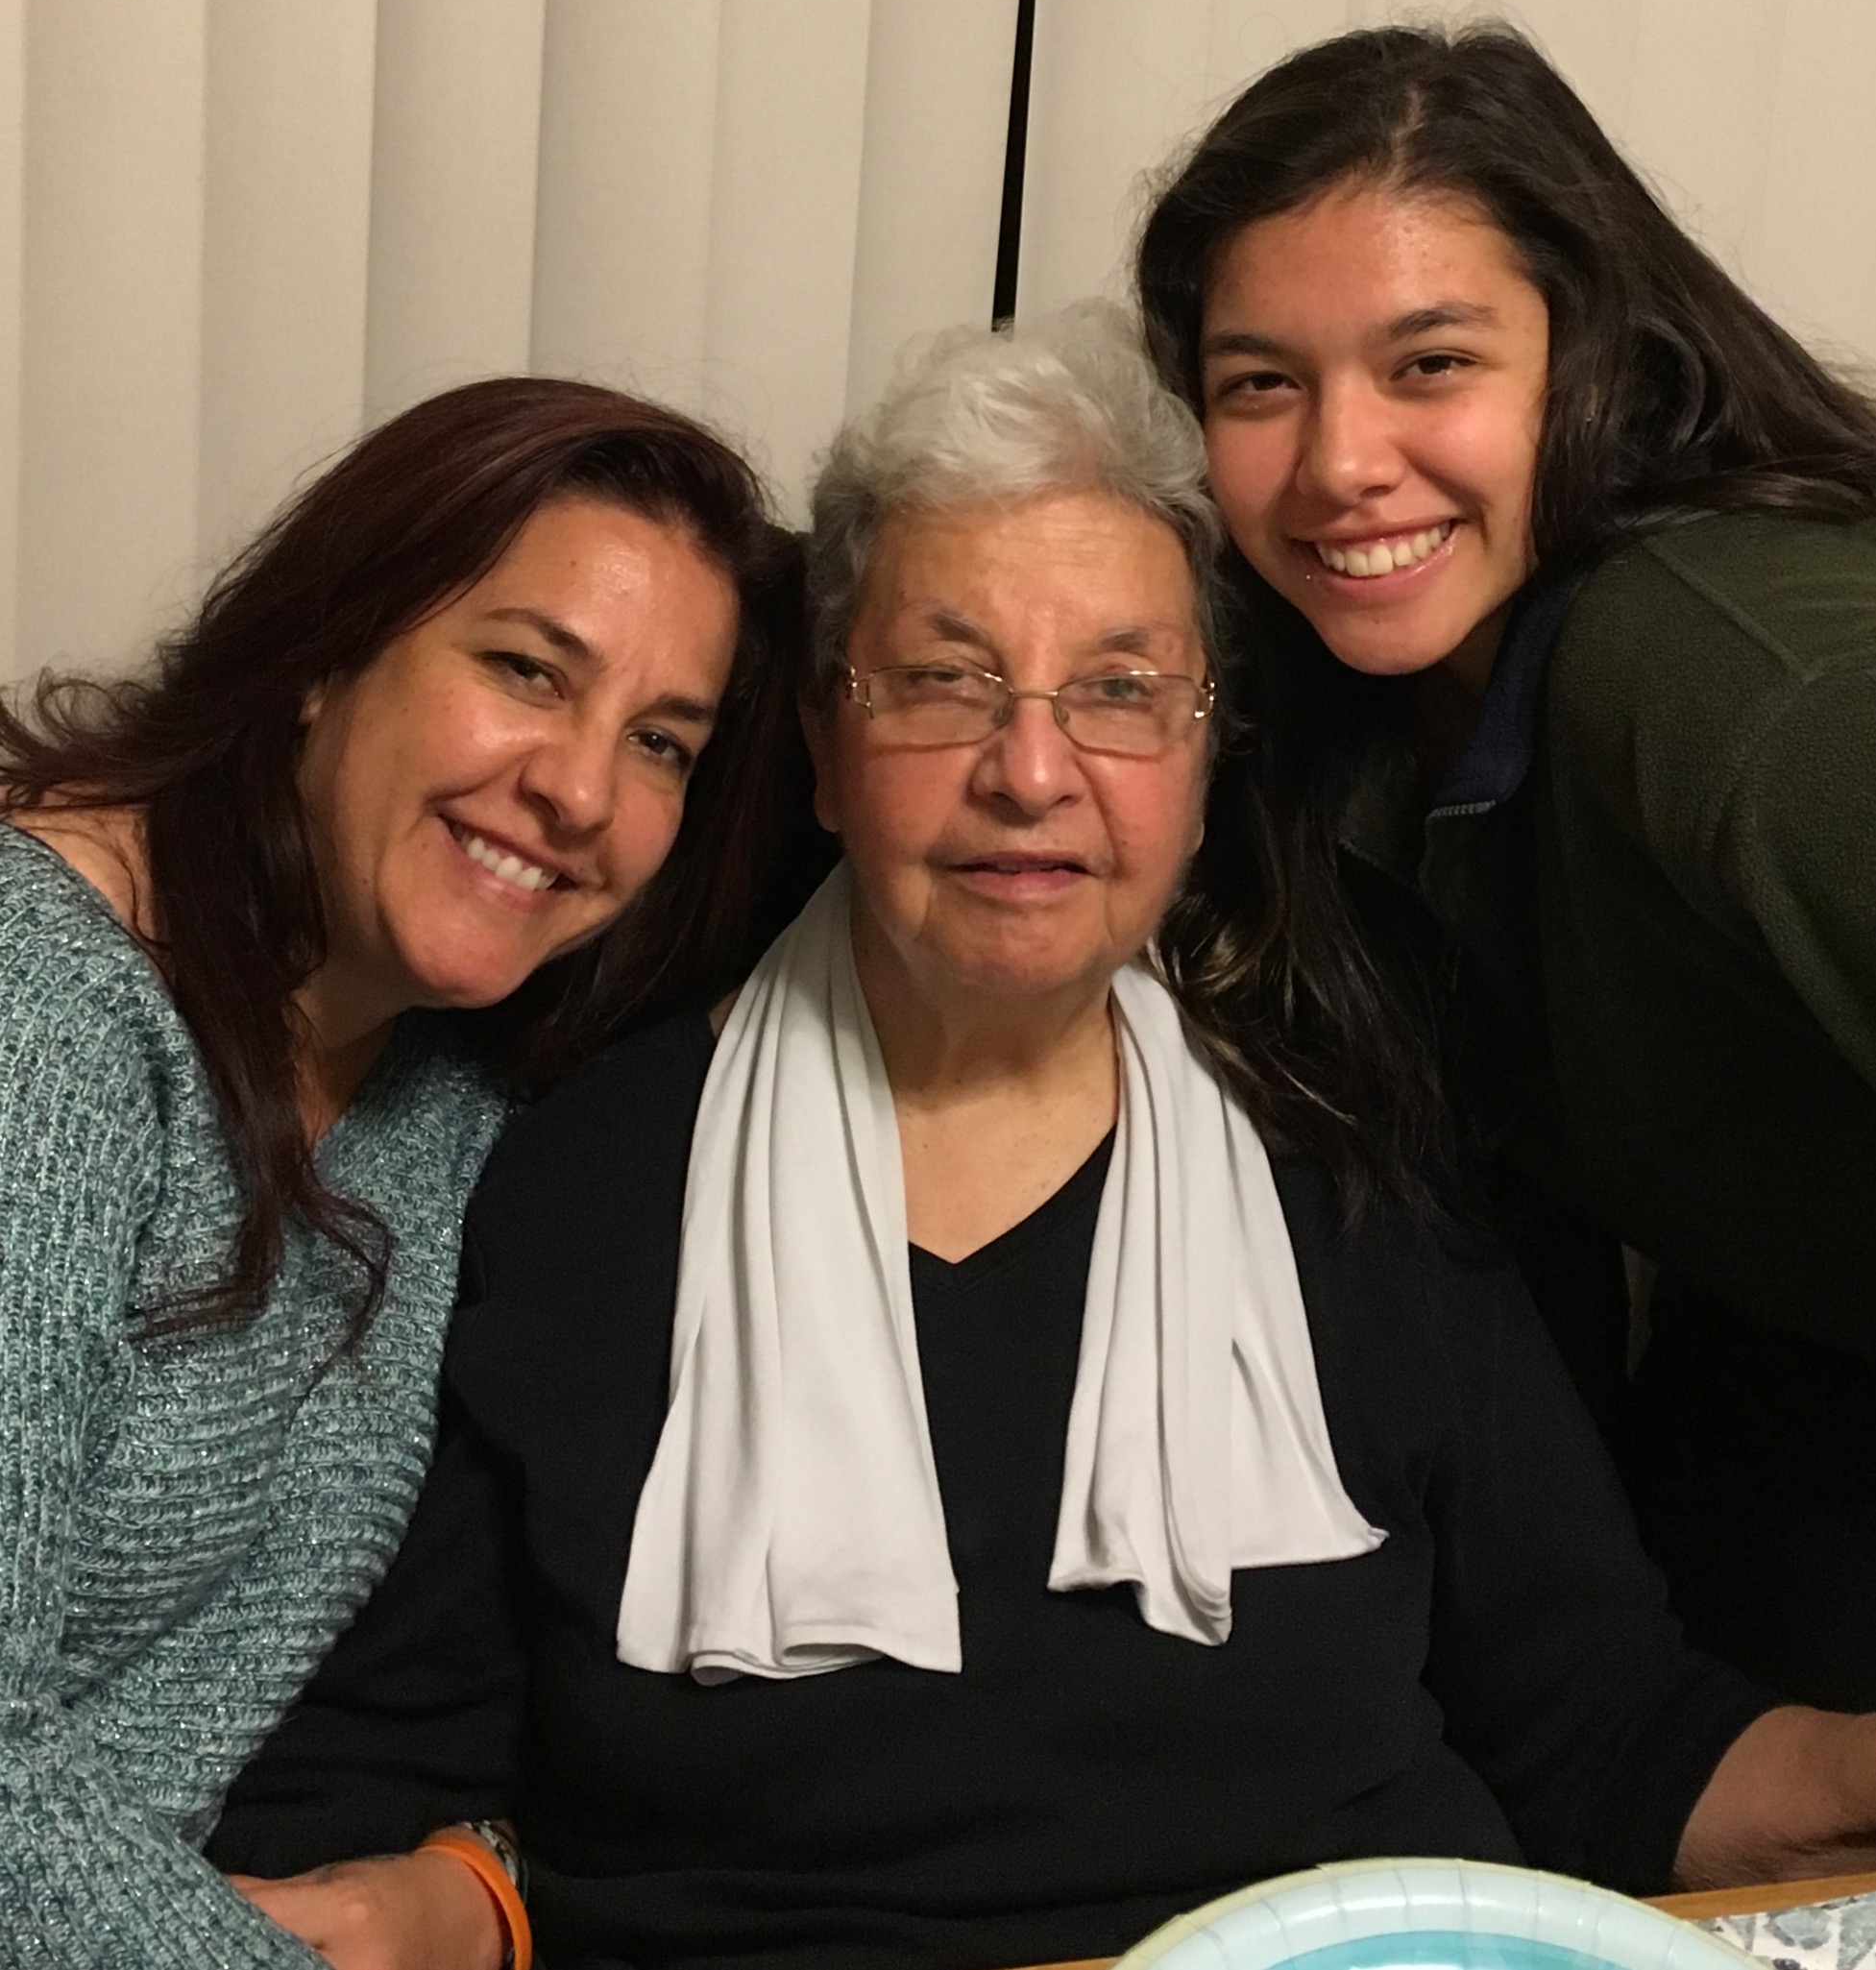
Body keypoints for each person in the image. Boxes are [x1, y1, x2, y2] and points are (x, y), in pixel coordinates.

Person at [214, 309, 1876, 1970]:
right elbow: (384, 1788)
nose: (1031, 770)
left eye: (1119, 691)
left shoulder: (1350, 1153)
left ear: (1201, 761)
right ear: (818, 745)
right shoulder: (570, 1186)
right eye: (943, 681)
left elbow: (1609, 1732)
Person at [0, 374, 796, 1968]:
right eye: (523, 668)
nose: (578, 789)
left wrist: (478, 1883)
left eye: (656, 742)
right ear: (322, 651)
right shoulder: (46, 1007)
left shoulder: (445, 1086)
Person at [1135, 23, 1876, 1712]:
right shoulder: (1363, 694)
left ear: (1589, 360)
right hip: (1764, 1371)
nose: (1336, 462)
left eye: (1429, 364)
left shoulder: (1733, 683)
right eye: (1262, 383)